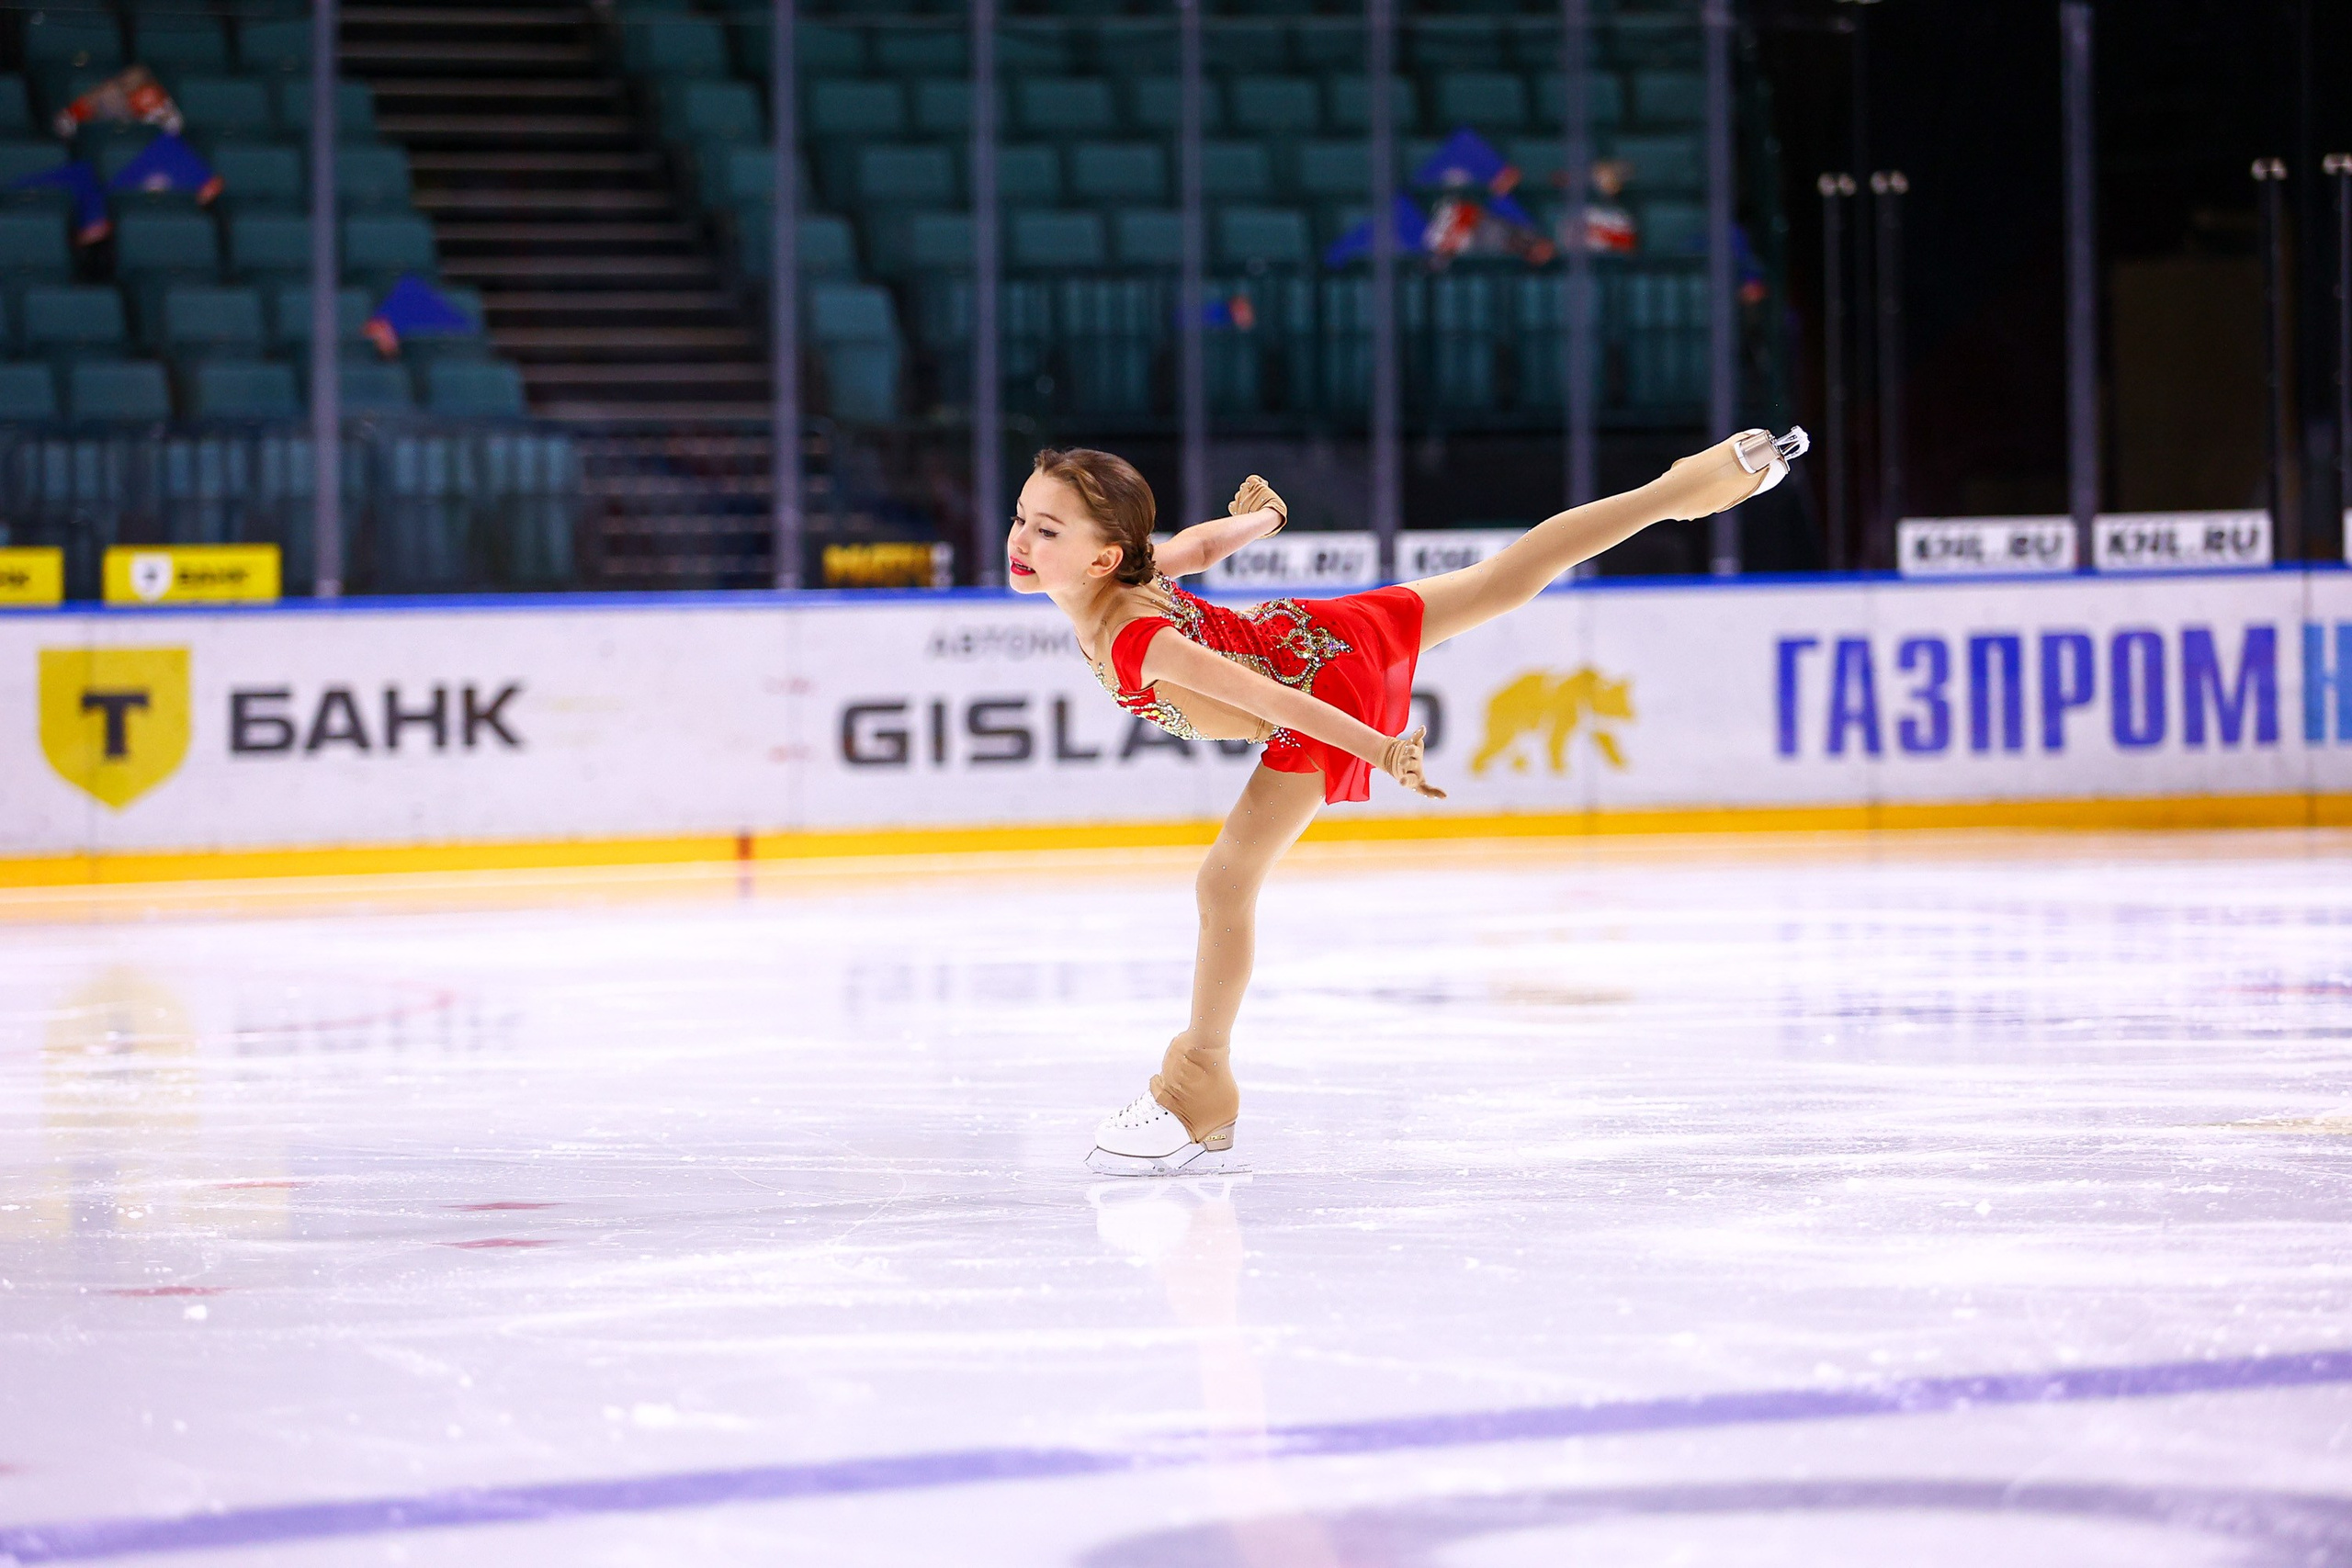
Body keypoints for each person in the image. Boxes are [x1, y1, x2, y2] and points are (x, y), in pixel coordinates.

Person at [1006, 430, 1804, 1175]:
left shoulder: (1135, 637)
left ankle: (1196, 1088)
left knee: (1224, 885)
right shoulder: (1134, 576)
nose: (1021, 540)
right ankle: (1692, 483)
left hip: (1316, 686)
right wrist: (1262, 522)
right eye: (1023, 518)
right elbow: (1199, 546)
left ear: (1105, 557)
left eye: (1047, 531)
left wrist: (1379, 748)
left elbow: (1273, 702)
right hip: (1317, 632)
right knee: (1504, 579)